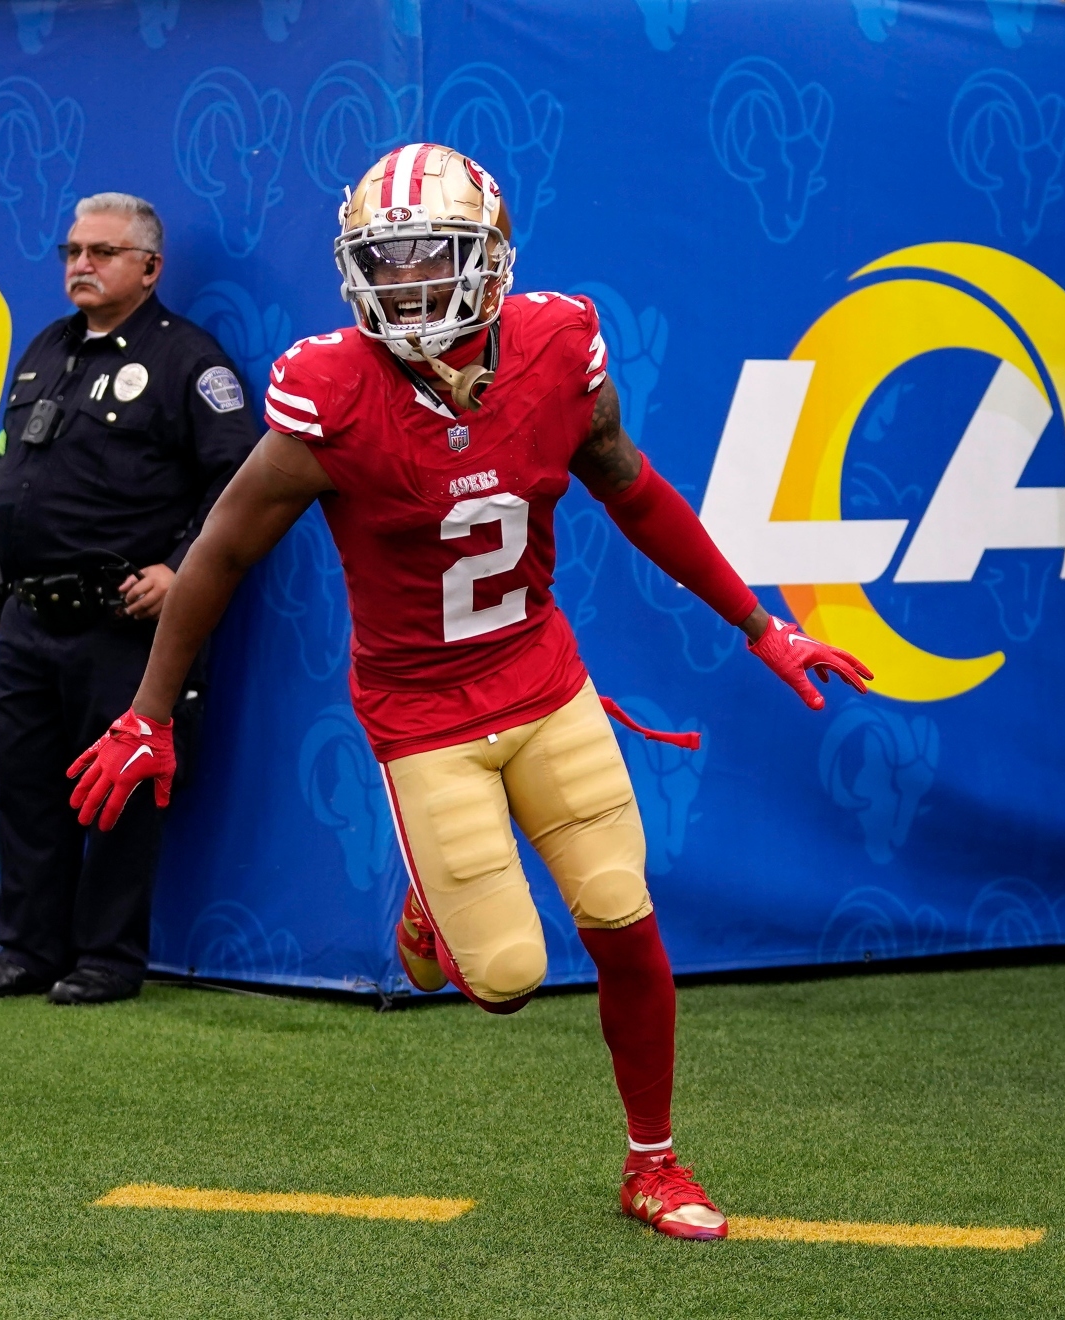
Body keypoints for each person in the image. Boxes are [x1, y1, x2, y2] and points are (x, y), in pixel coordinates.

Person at [65, 145, 870, 1238]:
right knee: (502, 979)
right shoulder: (330, 392)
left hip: (540, 677)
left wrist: (761, 625)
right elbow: (218, 552)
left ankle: (655, 1163)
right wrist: (148, 712)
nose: (405, 284)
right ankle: (427, 907)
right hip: (420, 712)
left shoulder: (556, 346)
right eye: (383, 262)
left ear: (489, 260)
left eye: (429, 257)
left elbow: (633, 489)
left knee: (622, 915)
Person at [0, 193, 257, 1006]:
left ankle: (109, 960)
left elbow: (243, 482)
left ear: (149, 268)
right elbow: (3, 457)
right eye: (72, 251)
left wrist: (181, 569)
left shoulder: (192, 362)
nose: (80, 265)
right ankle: (25, 951)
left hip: (121, 622)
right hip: (26, 617)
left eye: (102, 252)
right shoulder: (44, 349)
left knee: (118, 791)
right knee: (24, 790)